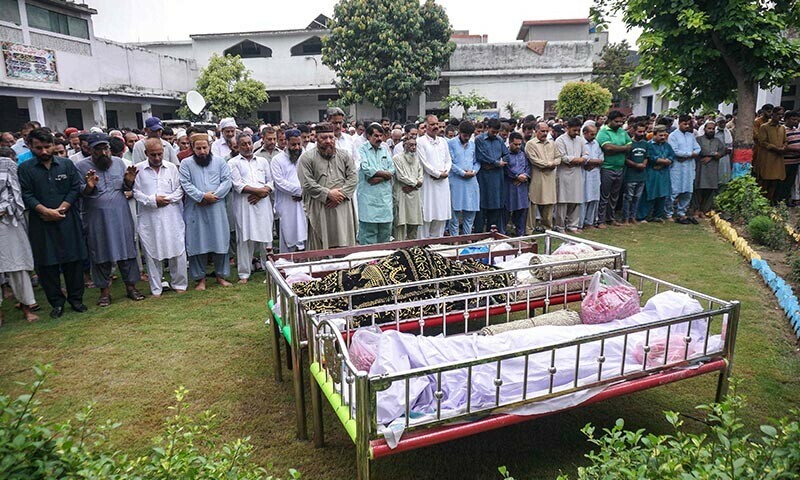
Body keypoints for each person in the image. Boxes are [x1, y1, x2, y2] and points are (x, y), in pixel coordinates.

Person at [19, 128, 87, 318]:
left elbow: (75, 188)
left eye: (47, 147)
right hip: (41, 221)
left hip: (67, 219)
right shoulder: (25, 168)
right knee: (47, 265)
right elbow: (26, 194)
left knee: (73, 261)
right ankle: (56, 303)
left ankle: (76, 300)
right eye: (38, 148)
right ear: (30, 147)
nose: (43, 151)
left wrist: (61, 209)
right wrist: (45, 210)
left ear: (53, 145)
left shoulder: (66, 165)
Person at [76, 133, 145, 306]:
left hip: (120, 214)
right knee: (100, 253)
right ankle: (104, 292)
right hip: (96, 217)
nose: (104, 153)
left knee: (127, 251)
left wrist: (129, 182)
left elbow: (125, 187)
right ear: (90, 150)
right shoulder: (81, 166)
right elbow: (81, 193)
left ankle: (131, 287)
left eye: (105, 148)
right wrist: (89, 187)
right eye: (98, 150)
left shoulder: (119, 163)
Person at [133, 138, 187, 297]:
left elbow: (179, 189)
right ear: (146, 154)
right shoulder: (138, 169)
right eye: (153, 155)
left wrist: (167, 199)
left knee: (177, 248)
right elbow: (136, 192)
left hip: (171, 215)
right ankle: (156, 288)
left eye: (159, 154)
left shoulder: (172, 168)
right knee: (151, 250)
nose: (157, 158)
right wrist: (153, 200)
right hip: (150, 217)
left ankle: (180, 284)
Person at [179, 133, 233, 290]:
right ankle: (200, 279)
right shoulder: (186, 164)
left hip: (216, 207)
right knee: (197, 242)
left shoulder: (220, 162)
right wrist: (201, 197)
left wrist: (212, 197)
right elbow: (185, 183)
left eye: (205, 148)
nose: (202, 151)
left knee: (220, 241)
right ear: (192, 148)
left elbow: (226, 181)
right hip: (196, 208)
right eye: (198, 148)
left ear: (210, 147)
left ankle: (221, 276)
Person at [297, 122, 357, 249]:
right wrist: (328, 194)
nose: (328, 141)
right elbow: (307, 183)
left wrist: (340, 196)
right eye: (323, 138)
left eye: (331, 137)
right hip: (320, 206)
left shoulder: (345, 155)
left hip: (342, 206)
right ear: (316, 139)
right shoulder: (307, 158)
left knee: (344, 244)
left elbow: (353, 178)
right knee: (320, 246)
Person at [228, 133, 273, 283]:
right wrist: (256, 191)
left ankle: (270, 271)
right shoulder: (233, 163)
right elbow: (237, 184)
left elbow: (271, 181)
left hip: (263, 202)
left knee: (266, 237)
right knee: (244, 238)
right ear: (238, 147)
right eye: (243, 144)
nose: (247, 147)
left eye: (249, 143)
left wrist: (261, 193)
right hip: (244, 204)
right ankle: (244, 274)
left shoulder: (262, 161)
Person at [0, 154, 38, 324]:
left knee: (18, 265)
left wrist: (4, 208)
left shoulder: (6, 164)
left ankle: (26, 307)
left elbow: (16, 192)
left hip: (9, 221)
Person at [355, 124, 394, 244]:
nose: (379, 138)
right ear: (368, 136)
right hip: (368, 199)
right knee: (368, 235)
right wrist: (385, 175)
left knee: (385, 234)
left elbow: (392, 169)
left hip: (384, 199)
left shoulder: (385, 149)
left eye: (381, 135)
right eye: (376, 135)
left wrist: (380, 178)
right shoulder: (362, 149)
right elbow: (366, 168)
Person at [271, 129, 307, 253]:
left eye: (299, 144)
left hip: (305, 203)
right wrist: (299, 192)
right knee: (288, 235)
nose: (297, 147)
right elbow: (279, 182)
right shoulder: (277, 160)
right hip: (287, 204)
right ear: (286, 143)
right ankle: (287, 267)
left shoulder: (305, 156)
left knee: (306, 234)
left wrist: (304, 193)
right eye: (293, 144)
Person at [416, 115, 452, 239]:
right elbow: (423, 162)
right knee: (426, 215)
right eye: (432, 124)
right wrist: (437, 174)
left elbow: (448, 160)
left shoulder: (443, 141)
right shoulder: (420, 142)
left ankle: (437, 248)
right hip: (428, 183)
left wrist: (445, 172)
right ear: (425, 126)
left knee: (441, 216)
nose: (435, 127)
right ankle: (422, 249)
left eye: (437, 124)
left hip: (442, 184)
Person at [596, 110, 632, 228]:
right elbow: (607, 148)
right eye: (616, 122)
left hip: (620, 167)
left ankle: (610, 218)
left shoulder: (622, 131)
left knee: (615, 196)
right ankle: (600, 220)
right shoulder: (603, 132)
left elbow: (630, 145)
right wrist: (623, 148)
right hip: (607, 167)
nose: (619, 124)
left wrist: (617, 148)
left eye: (621, 122)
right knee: (604, 195)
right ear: (610, 121)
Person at [474, 118, 509, 233]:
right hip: (483, 178)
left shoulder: (499, 140)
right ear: (487, 128)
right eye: (493, 131)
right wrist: (496, 163)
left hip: (496, 178)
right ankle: (478, 235)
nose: (495, 134)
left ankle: (491, 233)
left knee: (495, 206)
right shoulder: (479, 140)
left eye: (496, 132)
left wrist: (496, 164)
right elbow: (481, 156)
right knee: (481, 206)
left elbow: (506, 155)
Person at [525, 122, 561, 232]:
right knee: (533, 203)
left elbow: (559, 157)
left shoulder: (552, 144)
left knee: (549, 205)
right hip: (537, 178)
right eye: (542, 131)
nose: (545, 133)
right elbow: (534, 160)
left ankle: (547, 229)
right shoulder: (531, 144)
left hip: (550, 178)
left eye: (546, 131)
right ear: (536, 131)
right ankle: (529, 230)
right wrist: (549, 164)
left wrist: (554, 163)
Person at [666, 114, 702, 224]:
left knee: (688, 192)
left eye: (688, 124)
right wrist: (689, 154)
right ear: (679, 123)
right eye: (684, 124)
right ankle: (669, 213)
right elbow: (675, 151)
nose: (686, 126)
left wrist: (688, 155)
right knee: (674, 191)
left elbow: (698, 148)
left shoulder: (690, 136)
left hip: (689, 167)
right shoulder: (673, 136)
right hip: (677, 167)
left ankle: (682, 212)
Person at [554, 117, 587, 232]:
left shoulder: (581, 140)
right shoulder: (560, 140)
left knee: (576, 200)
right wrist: (578, 160)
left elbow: (586, 155)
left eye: (578, 130)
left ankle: (573, 225)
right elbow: (562, 157)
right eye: (574, 130)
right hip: (564, 174)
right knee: (562, 201)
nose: (576, 133)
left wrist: (579, 160)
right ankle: (560, 226)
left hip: (577, 173)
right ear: (567, 128)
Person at [447, 121, 480, 236]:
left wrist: (474, 171)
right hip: (456, 181)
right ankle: (454, 239)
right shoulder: (450, 143)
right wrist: (461, 172)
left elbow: (477, 162)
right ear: (459, 132)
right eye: (465, 135)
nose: (467, 138)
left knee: (470, 211)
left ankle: (467, 237)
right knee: (454, 212)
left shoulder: (472, 144)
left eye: (469, 135)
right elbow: (448, 162)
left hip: (471, 181)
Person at [638, 125, 674, 223]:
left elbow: (671, 156)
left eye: (664, 135)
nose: (663, 137)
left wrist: (664, 163)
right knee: (649, 194)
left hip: (664, 173)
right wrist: (663, 161)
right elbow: (651, 157)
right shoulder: (649, 145)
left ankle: (657, 215)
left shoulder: (667, 145)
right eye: (660, 135)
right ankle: (642, 216)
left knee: (662, 195)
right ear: (654, 135)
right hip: (652, 173)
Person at [392, 138, 423, 241]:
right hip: (402, 194)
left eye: (415, 145)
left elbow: (421, 177)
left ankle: (412, 250)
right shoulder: (397, 158)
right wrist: (415, 183)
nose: (413, 148)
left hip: (414, 196)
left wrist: (413, 186)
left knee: (414, 224)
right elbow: (400, 176)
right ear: (404, 145)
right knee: (400, 224)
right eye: (410, 145)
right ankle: (399, 250)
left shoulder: (417, 160)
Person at [692, 120, 726, 216]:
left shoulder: (717, 141)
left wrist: (713, 156)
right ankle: (696, 209)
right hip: (701, 167)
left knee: (709, 190)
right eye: (709, 128)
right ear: (705, 129)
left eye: (713, 129)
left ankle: (704, 210)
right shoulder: (699, 139)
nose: (711, 130)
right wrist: (711, 155)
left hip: (713, 168)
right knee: (698, 189)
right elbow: (698, 151)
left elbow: (723, 151)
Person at [756, 107, 787, 203]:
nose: (780, 117)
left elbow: (785, 140)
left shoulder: (782, 127)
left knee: (776, 180)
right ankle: (762, 201)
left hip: (779, 157)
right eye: (778, 114)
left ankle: (770, 199)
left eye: (782, 115)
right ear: (773, 114)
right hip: (768, 157)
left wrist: (784, 147)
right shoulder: (764, 127)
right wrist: (775, 148)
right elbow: (762, 142)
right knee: (766, 180)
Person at [621, 123, 648, 224]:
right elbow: (626, 159)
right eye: (639, 131)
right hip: (631, 175)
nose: (641, 134)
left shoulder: (645, 144)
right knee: (628, 197)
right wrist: (636, 165)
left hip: (641, 175)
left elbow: (646, 156)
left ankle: (633, 217)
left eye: (643, 131)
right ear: (634, 131)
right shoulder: (629, 143)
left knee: (637, 198)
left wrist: (643, 164)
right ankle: (626, 218)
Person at [504, 131, 530, 236]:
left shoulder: (523, 154)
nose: (518, 146)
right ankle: (503, 232)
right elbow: (506, 168)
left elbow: (528, 167)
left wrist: (525, 176)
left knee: (522, 210)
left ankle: (520, 233)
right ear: (510, 143)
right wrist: (515, 177)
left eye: (520, 144)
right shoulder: (505, 154)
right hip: (510, 186)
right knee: (506, 210)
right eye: (515, 144)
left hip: (522, 186)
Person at [581, 124, 604, 229]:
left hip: (595, 173)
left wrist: (592, 163)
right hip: (584, 173)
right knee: (584, 198)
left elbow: (601, 158)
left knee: (594, 198)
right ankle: (580, 222)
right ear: (585, 133)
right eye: (591, 134)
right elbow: (582, 159)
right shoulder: (581, 143)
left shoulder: (596, 143)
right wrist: (589, 162)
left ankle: (589, 222)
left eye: (595, 134)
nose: (594, 136)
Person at [782, 111, 800, 205]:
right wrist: (795, 149)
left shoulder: (796, 131)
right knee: (783, 182)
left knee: (790, 182)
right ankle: (779, 201)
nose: (796, 122)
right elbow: (783, 146)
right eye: (793, 119)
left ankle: (786, 200)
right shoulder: (782, 130)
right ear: (787, 119)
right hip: (786, 161)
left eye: (797, 120)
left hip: (795, 161)